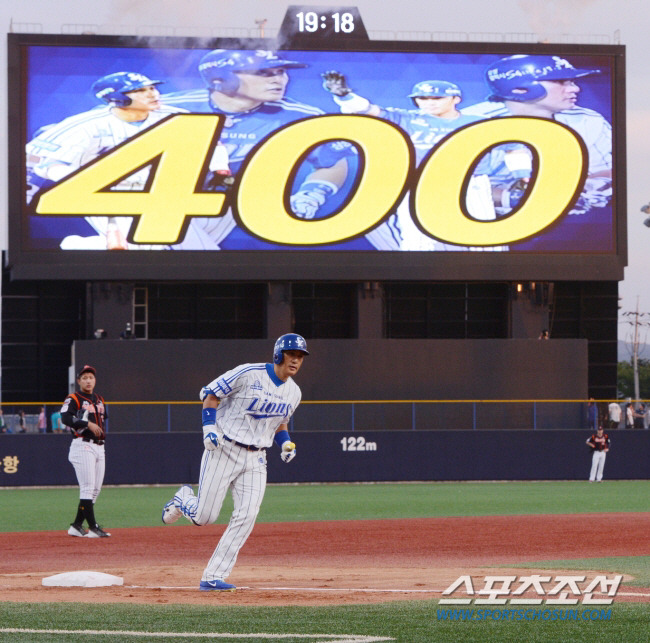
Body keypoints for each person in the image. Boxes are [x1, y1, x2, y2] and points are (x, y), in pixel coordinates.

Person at [162, 49, 356, 250]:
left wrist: (313, 194)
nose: (278, 80)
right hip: (161, 202)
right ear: (221, 79)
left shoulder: (298, 116)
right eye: (264, 73)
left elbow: (332, 160)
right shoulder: (169, 109)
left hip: (233, 207)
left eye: (280, 71)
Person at [161, 333, 308, 591]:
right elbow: (210, 395)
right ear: (278, 355)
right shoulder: (248, 373)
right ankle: (183, 498)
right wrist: (209, 428)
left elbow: (279, 422)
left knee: (247, 514)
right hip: (224, 449)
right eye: (291, 354)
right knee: (205, 517)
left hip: (256, 458)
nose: (295, 360)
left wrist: (284, 443)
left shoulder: (294, 393)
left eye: (300, 357)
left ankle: (213, 575)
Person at [321, 72, 491, 250]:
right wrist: (344, 95)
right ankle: (417, 277)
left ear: (456, 99)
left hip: (469, 184)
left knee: (483, 239)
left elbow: (511, 148)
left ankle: (493, 277)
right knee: (417, 240)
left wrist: (523, 174)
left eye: (437, 98)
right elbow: (368, 110)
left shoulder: (477, 121)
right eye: (422, 98)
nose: (429, 102)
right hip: (417, 183)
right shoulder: (406, 118)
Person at [26, 71, 187, 250]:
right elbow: (40, 160)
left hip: (165, 194)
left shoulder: (177, 116)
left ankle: (83, 246)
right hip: (108, 195)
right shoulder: (86, 124)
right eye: (140, 90)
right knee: (141, 247)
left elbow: (212, 145)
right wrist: (82, 183)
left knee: (188, 246)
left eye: (152, 87)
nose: (153, 93)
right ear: (116, 97)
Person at [465, 55, 612, 249]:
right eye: (561, 82)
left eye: (573, 82)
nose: (575, 89)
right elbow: (448, 190)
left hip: (576, 231)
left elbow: (609, 179)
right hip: (488, 232)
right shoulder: (469, 124)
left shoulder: (585, 120)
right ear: (520, 88)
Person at [60, 365, 110, 538]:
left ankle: (76, 526)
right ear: (79, 381)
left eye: (91, 377)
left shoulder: (99, 399)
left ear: (95, 380)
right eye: (85, 377)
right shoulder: (73, 398)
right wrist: (87, 424)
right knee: (87, 488)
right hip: (83, 445)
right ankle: (94, 527)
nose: (88, 380)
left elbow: (103, 421)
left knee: (95, 490)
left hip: (99, 446)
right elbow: (65, 418)